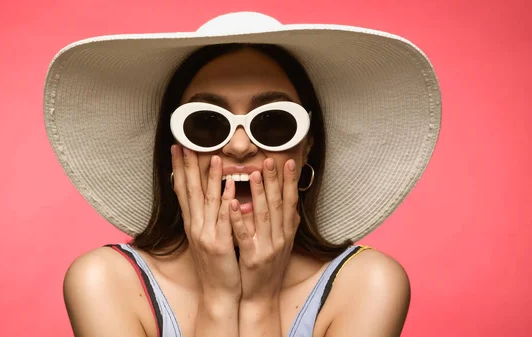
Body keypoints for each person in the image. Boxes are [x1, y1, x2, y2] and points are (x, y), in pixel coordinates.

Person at [43, 12, 441, 337]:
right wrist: (219, 297)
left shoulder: (367, 284)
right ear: (173, 153)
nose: (238, 146)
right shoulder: (106, 282)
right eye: (205, 124)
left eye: (272, 123)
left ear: (306, 150)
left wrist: (258, 303)